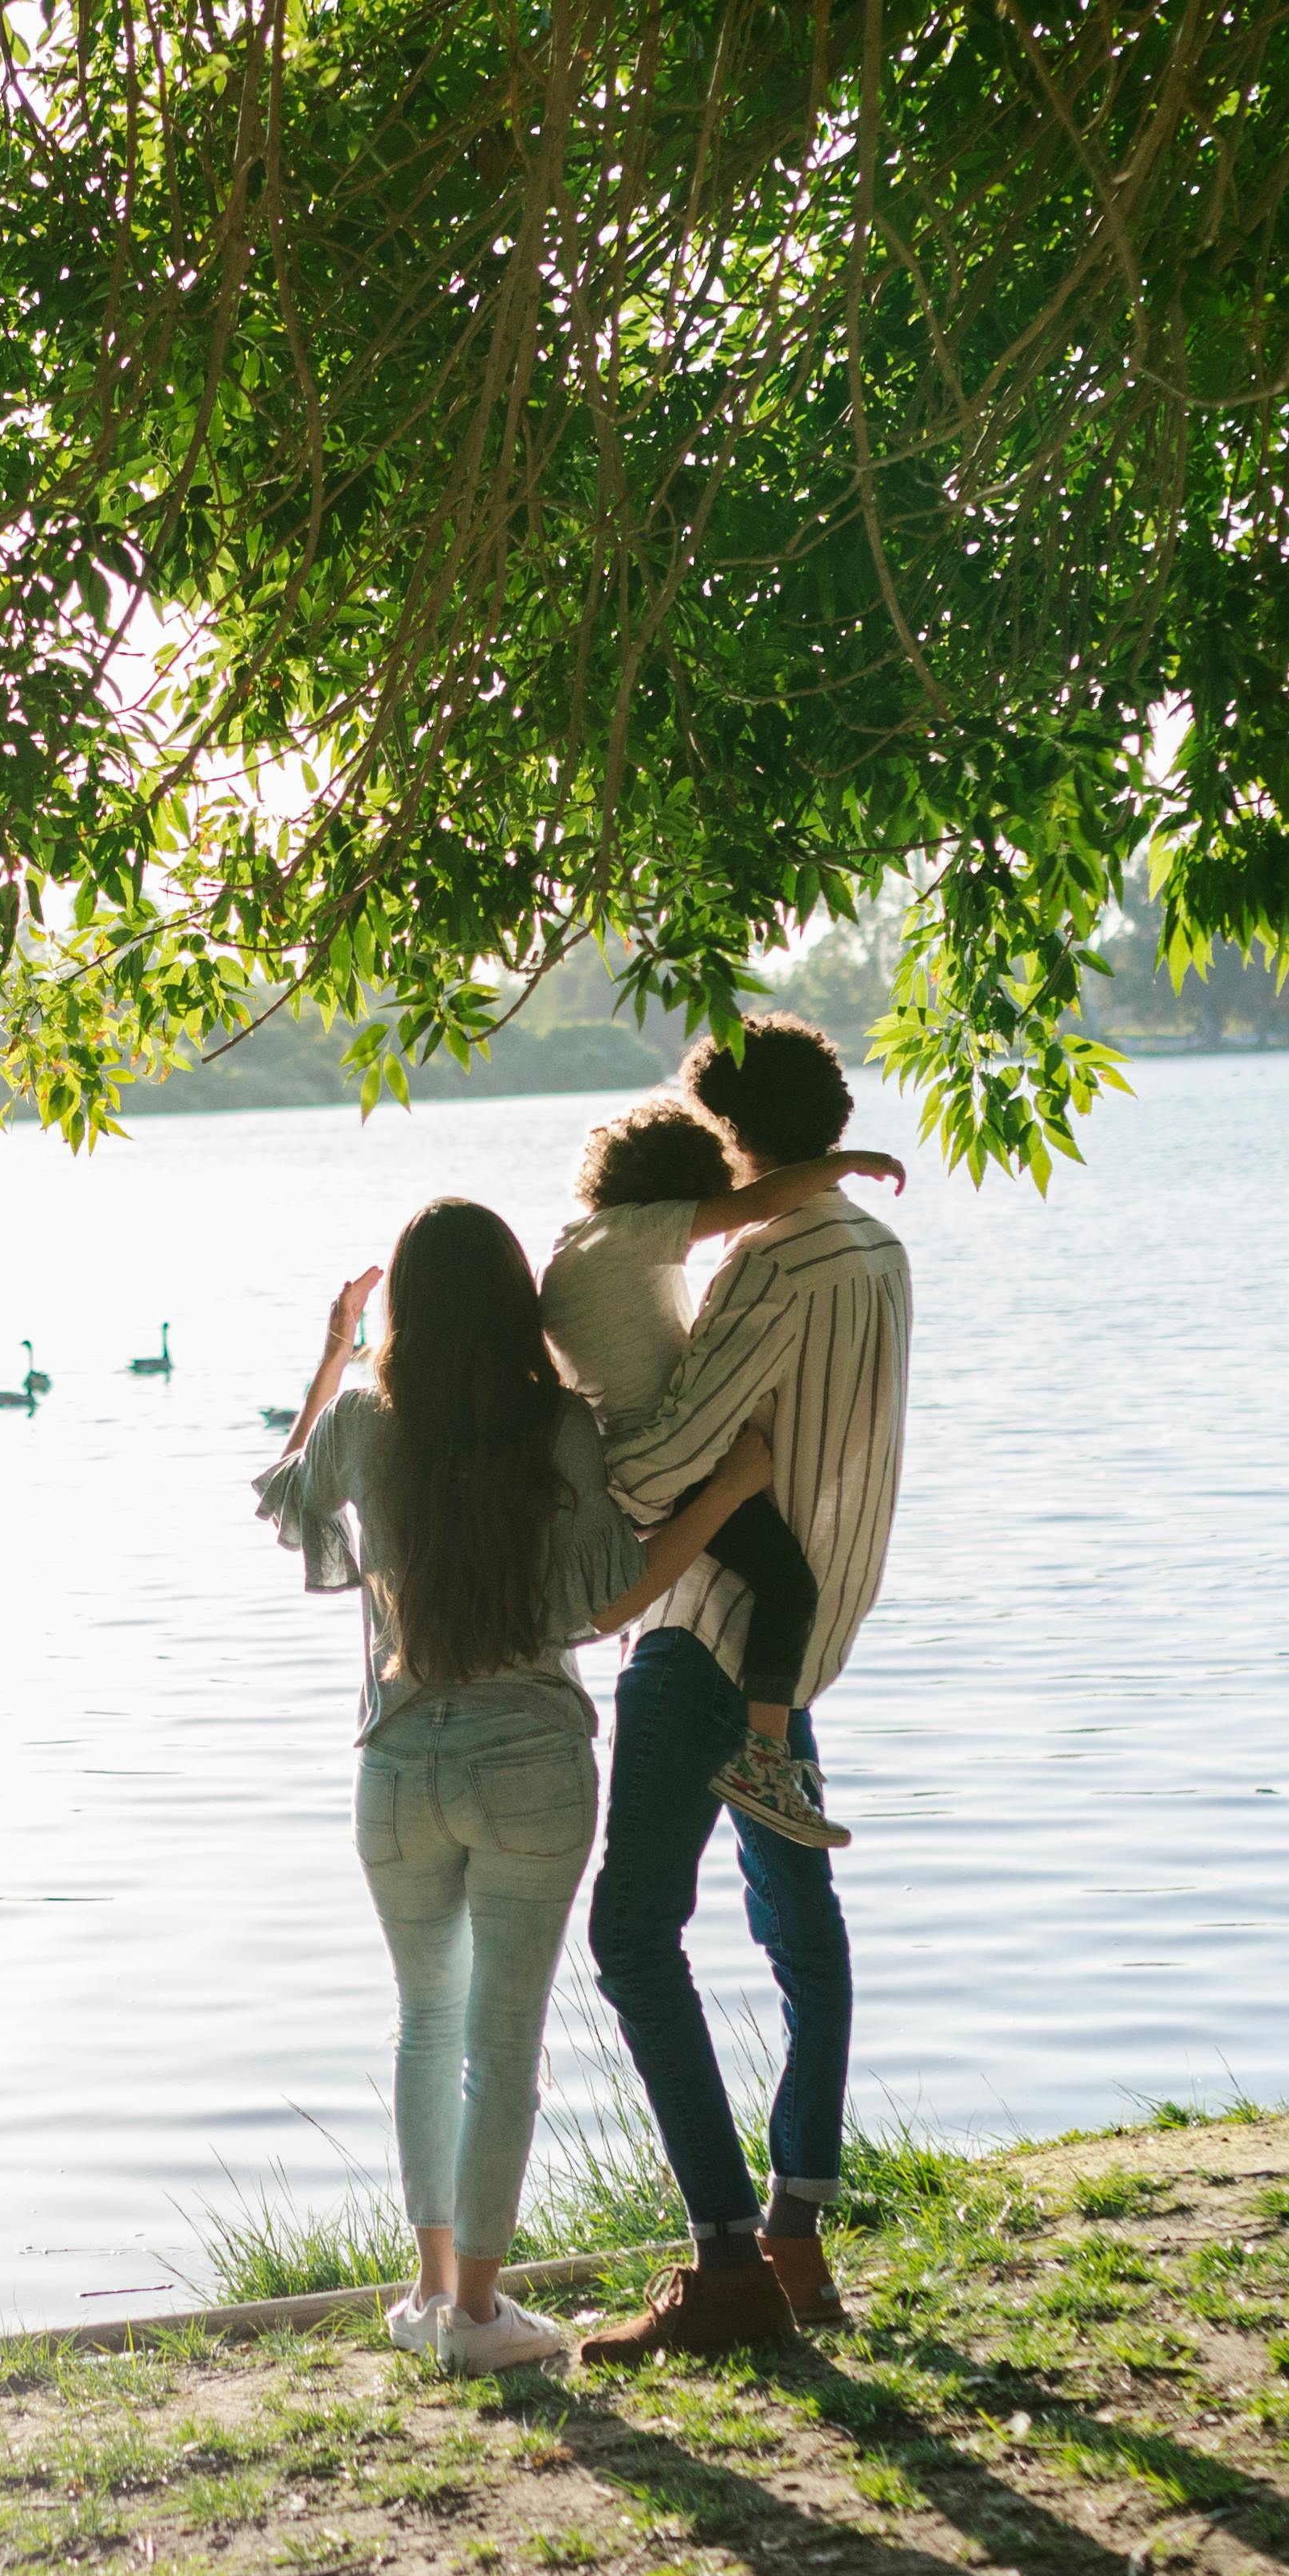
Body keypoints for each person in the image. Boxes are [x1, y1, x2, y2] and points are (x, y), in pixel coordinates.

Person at [258, 1200, 777, 2375]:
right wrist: (733, 1483)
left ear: (403, 1314)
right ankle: (482, 2316)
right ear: (516, 1301)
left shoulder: (363, 1419)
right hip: (529, 1762)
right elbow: (609, 1600)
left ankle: (431, 2291)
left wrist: (333, 1353)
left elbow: (288, 1493)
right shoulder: (557, 1424)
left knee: (424, 2022)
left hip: (394, 1769)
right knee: (499, 2036)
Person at [578, 1017, 915, 2362]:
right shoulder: (877, 1252)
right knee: (797, 1924)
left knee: (628, 1935)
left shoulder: (771, 1265)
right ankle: (793, 2233)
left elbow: (665, 1462)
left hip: (697, 1636)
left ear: (731, 1140)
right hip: (798, 1636)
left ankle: (724, 2260)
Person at [542, 1100, 907, 1850]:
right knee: (790, 1585)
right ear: (676, 1193)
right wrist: (843, 1166)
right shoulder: (630, 1233)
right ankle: (765, 1758)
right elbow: (758, 1202)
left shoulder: (579, 1248)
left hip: (645, 1460)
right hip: (671, 1467)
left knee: (768, 1580)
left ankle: (769, 1755)